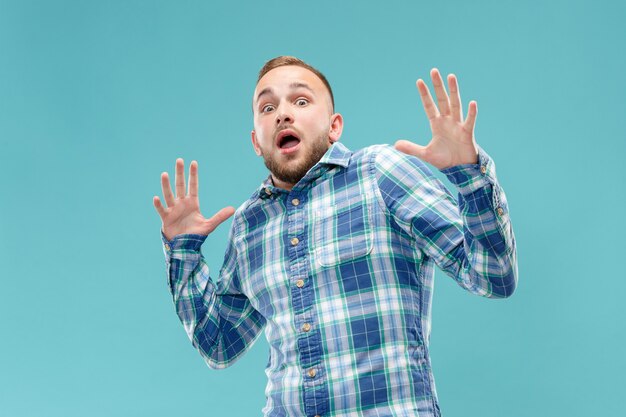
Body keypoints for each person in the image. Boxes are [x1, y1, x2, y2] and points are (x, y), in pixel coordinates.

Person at [153, 56, 517, 417]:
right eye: (267, 107)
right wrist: (183, 253)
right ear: (256, 142)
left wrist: (468, 175)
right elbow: (219, 345)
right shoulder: (250, 224)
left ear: (334, 126)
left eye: (300, 101)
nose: (282, 113)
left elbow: (492, 276)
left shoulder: (380, 173)